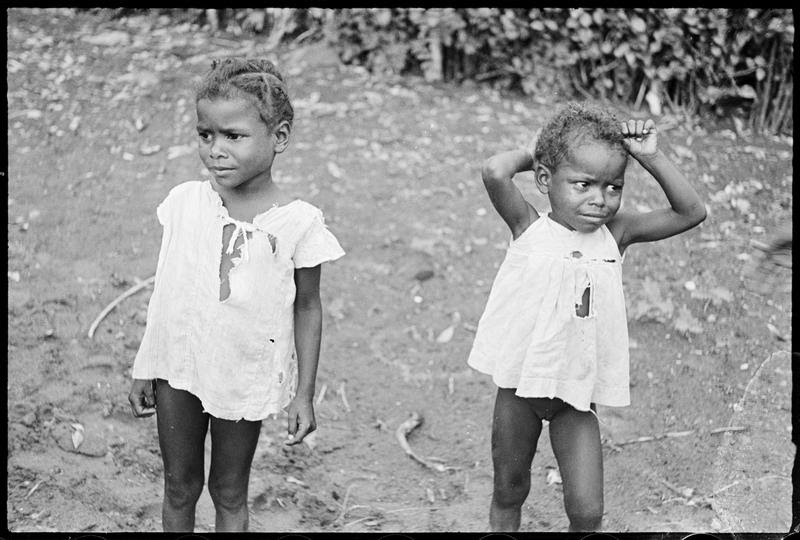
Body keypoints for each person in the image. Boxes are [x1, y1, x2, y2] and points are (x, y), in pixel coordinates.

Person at [127, 57, 344, 532]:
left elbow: (308, 306)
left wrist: (303, 394)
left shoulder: (298, 223)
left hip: (243, 373)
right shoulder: (186, 203)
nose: (216, 151)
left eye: (234, 136)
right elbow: (167, 291)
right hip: (178, 367)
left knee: (229, 491)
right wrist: (148, 363)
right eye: (206, 135)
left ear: (279, 138)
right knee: (179, 486)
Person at [467, 102, 706, 532]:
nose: (600, 199)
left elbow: (692, 213)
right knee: (509, 490)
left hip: (576, 398)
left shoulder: (617, 234)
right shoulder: (528, 226)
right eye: (582, 184)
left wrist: (649, 155)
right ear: (544, 180)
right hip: (518, 389)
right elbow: (494, 171)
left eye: (613, 187)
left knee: (587, 511)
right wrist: (545, 150)